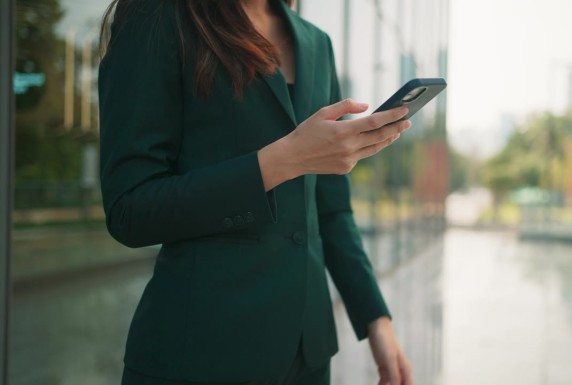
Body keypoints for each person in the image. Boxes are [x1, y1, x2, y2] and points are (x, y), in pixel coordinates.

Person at [98, 0, 412, 384]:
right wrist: (282, 160)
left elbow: (331, 212)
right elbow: (129, 209)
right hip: (200, 356)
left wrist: (375, 319)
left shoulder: (316, 42)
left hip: (307, 358)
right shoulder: (158, 17)